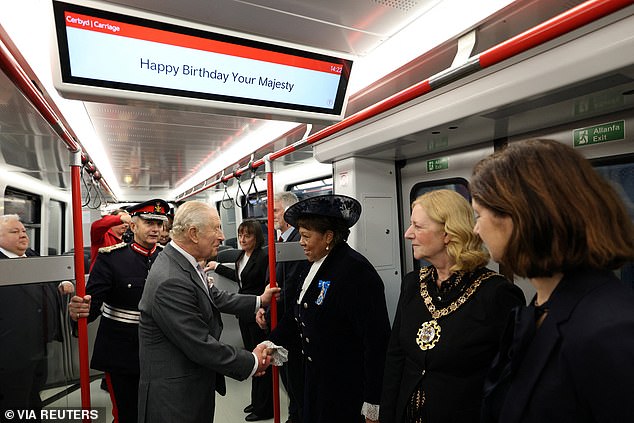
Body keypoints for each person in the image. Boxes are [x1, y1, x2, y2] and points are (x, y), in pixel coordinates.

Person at [470, 139, 634, 422]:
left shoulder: (610, 329)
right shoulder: (542, 306)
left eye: (478, 215)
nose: (475, 230)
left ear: (518, 216)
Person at [379, 190, 525, 423]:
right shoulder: (412, 285)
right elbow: (395, 358)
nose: (408, 234)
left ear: (448, 233)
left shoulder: (496, 294)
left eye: (418, 226)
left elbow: (511, 380)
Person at [137, 200, 280, 423]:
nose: (223, 236)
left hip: (191, 384)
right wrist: (252, 361)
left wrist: (259, 301)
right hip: (176, 398)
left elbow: (213, 296)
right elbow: (198, 343)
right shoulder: (170, 279)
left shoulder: (185, 263)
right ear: (193, 233)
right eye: (216, 228)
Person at [261, 194, 391, 423]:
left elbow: (376, 342)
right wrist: (272, 341)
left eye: (305, 236)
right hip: (316, 379)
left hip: (346, 387)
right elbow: (296, 311)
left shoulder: (356, 273)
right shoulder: (313, 265)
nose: (300, 242)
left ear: (329, 237)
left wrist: (373, 401)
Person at [69, 199, 169, 423]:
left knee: (158, 411)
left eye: (160, 223)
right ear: (133, 226)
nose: (155, 228)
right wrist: (78, 314)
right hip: (122, 352)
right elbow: (91, 306)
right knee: (127, 415)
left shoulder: (168, 258)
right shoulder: (110, 259)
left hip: (162, 351)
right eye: (149, 222)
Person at [0, 215, 74, 415]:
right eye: (15, 232)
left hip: (39, 346)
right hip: (10, 352)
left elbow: (42, 283)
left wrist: (58, 286)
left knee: (33, 397)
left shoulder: (31, 256)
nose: (23, 235)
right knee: (14, 402)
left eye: (23, 230)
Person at [207, 219, 272, 421]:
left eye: (248, 236)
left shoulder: (263, 257)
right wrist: (217, 267)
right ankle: (257, 402)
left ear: (257, 237)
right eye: (241, 235)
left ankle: (265, 408)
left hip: (257, 314)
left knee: (263, 361)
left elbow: (265, 285)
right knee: (253, 357)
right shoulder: (241, 256)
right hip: (245, 313)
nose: (243, 239)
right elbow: (239, 277)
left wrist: (263, 311)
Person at [270, 191, 309, 423]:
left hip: (292, 323)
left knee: (296, 378)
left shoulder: (296, 242)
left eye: (275, 210)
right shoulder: (280, 241)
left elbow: (292, 286)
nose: (271, 215)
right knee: (288, 378)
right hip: (280, 319)